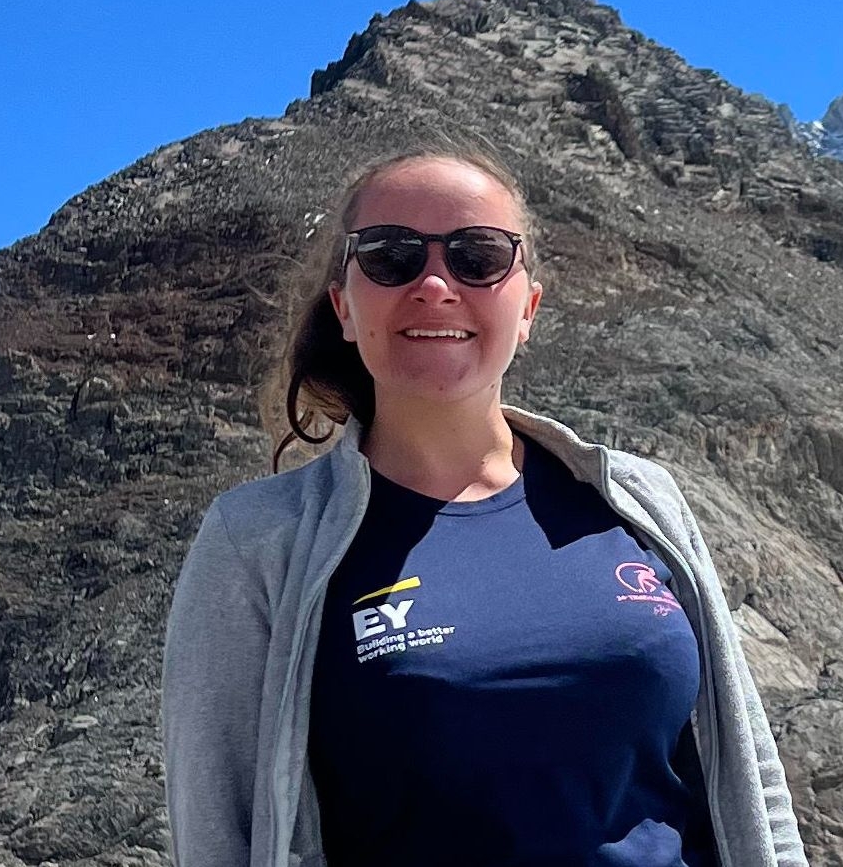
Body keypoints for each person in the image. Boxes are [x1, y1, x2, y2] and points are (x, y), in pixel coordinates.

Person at [161, 143, 810, 867]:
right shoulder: (260, 542)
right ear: (344, 305)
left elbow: (750, 778)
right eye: (390, 255)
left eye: (478, 257)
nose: (436, 284)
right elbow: (219, 830)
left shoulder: (637, 500)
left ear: (528, 307)